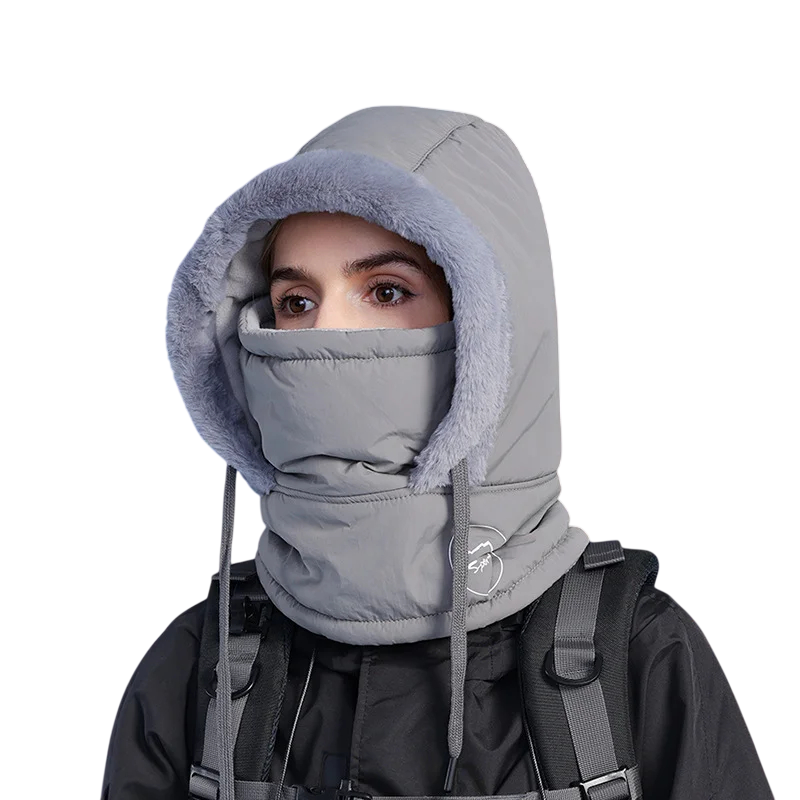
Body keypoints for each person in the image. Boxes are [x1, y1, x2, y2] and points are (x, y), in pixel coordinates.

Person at [101, 105, 774, 800]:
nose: (326, 332)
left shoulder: (635, 661)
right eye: (296, 302)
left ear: (493, 327)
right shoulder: (203, 667)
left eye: (386, 291)